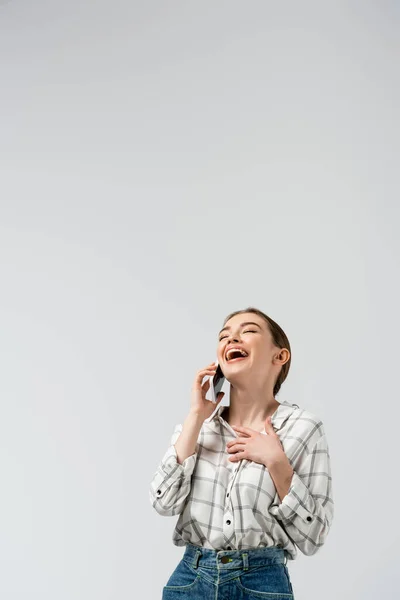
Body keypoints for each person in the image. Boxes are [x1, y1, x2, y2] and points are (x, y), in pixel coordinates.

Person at [149, 306, 334, 599]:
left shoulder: (302, 428)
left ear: (280, 356)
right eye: (225, 336)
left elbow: (313, 537)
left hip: (261, 584)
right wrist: (196, 416)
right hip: (190, 580)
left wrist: (277, 463)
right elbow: (163, 503)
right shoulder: (199, 426)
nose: (232, 339)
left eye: (247, 331)